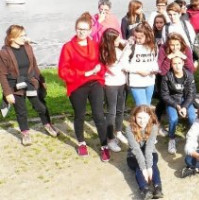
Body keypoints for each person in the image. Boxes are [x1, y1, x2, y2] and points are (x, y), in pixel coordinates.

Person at [58, 12, 109, 161]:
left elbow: (101, 63)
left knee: (99, 115)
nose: (82, 32)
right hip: (77, 85)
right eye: (79, 29)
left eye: (85, 29)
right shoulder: (68, 47)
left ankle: (104, 146)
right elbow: (63, 71)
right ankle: (81, 143)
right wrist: (84, 73)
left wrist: (99, 69)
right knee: (79, 115)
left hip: (95, 83)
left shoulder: (94, 45)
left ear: (90, 30)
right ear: (75, 29)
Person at [0, 25, 57, 146]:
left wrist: (42, 81)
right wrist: (8, 93)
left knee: (41, 106)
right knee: (21, 111)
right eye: (22, 36)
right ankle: (25, 133)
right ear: (12, 38)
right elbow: (2, 75)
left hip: (30, 82)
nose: (25, 38)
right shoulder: (4, 53)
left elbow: (35, 66)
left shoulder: (28, 48)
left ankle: (48, 124)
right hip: (14, 85)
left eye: (25, 35)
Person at [99, 28, 129, 152]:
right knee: (111, 111)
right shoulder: (105, 52)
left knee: (121, 109)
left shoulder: (119, 48)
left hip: (122, 82)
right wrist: (126, 51)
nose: (118, 40)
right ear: (110, 40)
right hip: (111, 84)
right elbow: (118, 64)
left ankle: (118, 131)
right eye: (116, 39)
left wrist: (127, 45)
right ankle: (110, 138)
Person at [126, 105, 163, 199]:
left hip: (150, 152)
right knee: (139, 167)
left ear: (150, 117)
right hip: (133, 154)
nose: (142, 121)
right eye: (139, 117)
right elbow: (136, 150)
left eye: (145, 117)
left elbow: (149, 148)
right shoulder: (129, 128)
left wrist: (149, 167)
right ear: (134, 117)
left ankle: (158, 187)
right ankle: (145, 189)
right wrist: (144, 168)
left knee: (153, 164)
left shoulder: (154, 127)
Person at [161, 56, 196, 155]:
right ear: (171, 65)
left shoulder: (189, 75)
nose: (177, 66)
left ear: (183, 63)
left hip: (186, 100)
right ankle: (171, 138)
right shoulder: (167, 76)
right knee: (173, 119)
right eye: (174, 63)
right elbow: (165, 95)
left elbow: (191, 94)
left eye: (179, 63)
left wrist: (184, 106)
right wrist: (177, 105)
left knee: (193, 117)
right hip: (172, 101)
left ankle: (191, 138)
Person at [123, 22, 159, 106]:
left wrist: (153, 70)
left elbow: (155, 61)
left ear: (148, 36)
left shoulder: (153, 46)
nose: (137, 40)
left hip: (150, 81)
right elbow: (124, 64)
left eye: (140, 38)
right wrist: (138, 71)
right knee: (142, 106)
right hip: (136, 82)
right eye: (136, 37)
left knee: (147, 105)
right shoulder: (131, 46)